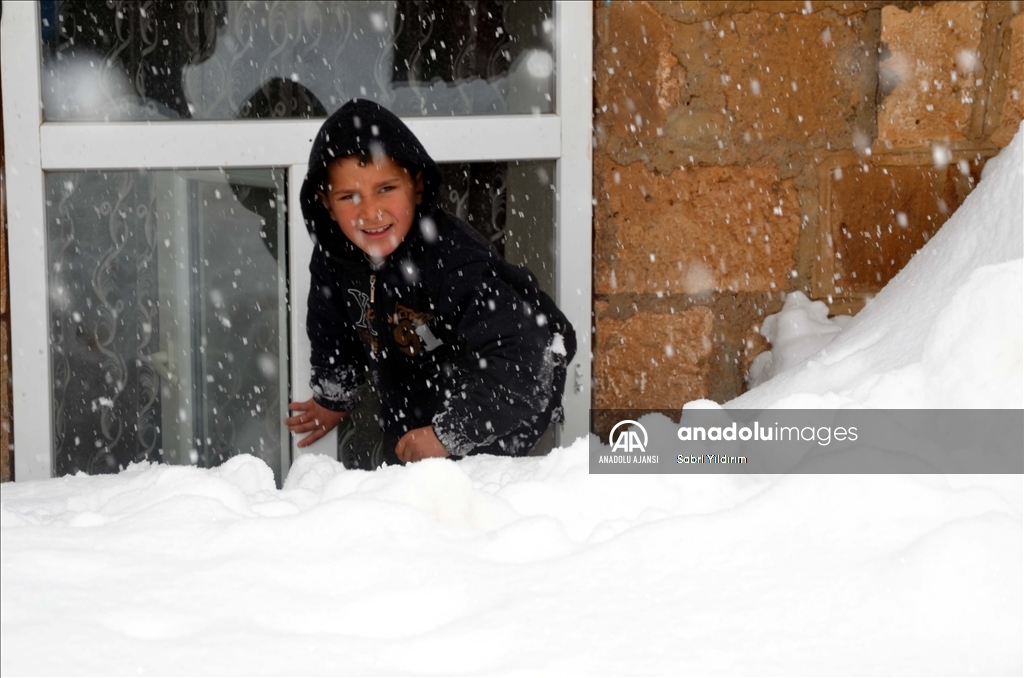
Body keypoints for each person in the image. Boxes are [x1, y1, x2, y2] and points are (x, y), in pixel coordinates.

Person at [285, 99, 575, 466]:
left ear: (417, 188)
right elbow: (332, 328)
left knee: (470, 493)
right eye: (349, 197)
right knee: (410, 470)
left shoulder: (452, 260)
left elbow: (527, 360)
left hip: (505, 393)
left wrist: (447, 435)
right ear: (326, 204)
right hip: (415, 385)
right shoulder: (335, 257)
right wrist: (334, 396)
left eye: (386, 189)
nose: (370, 213)